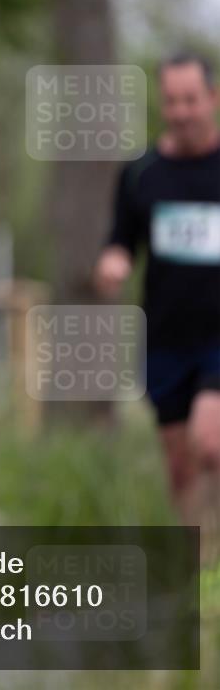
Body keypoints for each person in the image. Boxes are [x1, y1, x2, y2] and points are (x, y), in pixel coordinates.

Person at [94, 52, 220, 561]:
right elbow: (121, 240)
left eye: (191, 100)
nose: (182, 111)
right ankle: (203, 565)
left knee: (209, 441)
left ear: (212, 98)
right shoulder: (142, 172)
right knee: (180, 465)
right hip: (166, 337)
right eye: (172, 101)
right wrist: (114, 262)